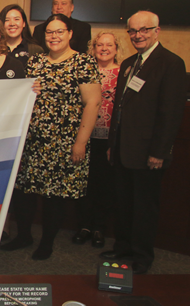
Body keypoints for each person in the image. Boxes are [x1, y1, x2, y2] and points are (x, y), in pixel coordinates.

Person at [3, 14, 101, 260]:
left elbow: (93, 103)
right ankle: (24, 235)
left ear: (69, 34)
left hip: (65, 141)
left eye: (59, 31)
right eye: (49, 32)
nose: (54, 36)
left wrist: (80, 142)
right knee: (24, 192)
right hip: (33, 140)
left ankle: (47, 242)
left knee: (55, 196)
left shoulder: (83, 62)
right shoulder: (35, 61)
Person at [102, 11, 186, 274]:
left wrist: (159, 152)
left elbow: (171, 113)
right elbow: (120, 109)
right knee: (124, 203)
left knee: (144, 208)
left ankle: (141, 256)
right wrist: (111, 145)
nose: (138, 35)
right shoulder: (128, 63)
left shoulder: (170, 63)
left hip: (149, 153)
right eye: (133, 31)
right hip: (123, 150)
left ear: (157, 31)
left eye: (144, 30)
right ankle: (123, 248)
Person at [72, 32, 122, 249]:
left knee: (105, 184)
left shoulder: (124, 73)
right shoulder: (85, 71)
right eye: (99, 45)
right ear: (93, 49)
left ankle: (99, 227)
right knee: (85, 183)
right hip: (85, 136)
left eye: (108, 45)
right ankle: (84, 225)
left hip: (109, 139)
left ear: (116, 48)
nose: (103, 48)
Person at [0, 4, 44, 68]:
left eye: (16, 19)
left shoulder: (35, 50)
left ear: (24, 23)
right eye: (7, 20)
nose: (12, 24)